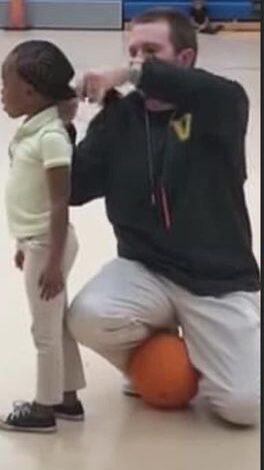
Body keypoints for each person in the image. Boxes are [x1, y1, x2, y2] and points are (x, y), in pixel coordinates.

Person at [64, 7, 260, 426]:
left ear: (185, 59)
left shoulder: (222, 105)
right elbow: (74, 189)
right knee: (88, 315)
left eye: (150, 51)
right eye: (132, 51)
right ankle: (156, 353)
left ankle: (203, 348)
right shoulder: (119, 118)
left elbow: (214, 93)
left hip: (217, 280)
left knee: (246, 406)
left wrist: (129, 73)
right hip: (146, 268)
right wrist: (62, 126)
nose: (136, 60)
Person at [0, 40, 86, 433]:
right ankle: (67, 398)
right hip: (36, 243)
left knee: (44, 331)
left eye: (6, 83)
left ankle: (43, 409)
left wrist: (49, 260)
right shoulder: (34, 129)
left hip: (47, 245)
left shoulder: (49, 136)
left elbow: (59, 202)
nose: (2, 91)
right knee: (57, 324)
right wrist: (23, 244)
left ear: (31, 92)